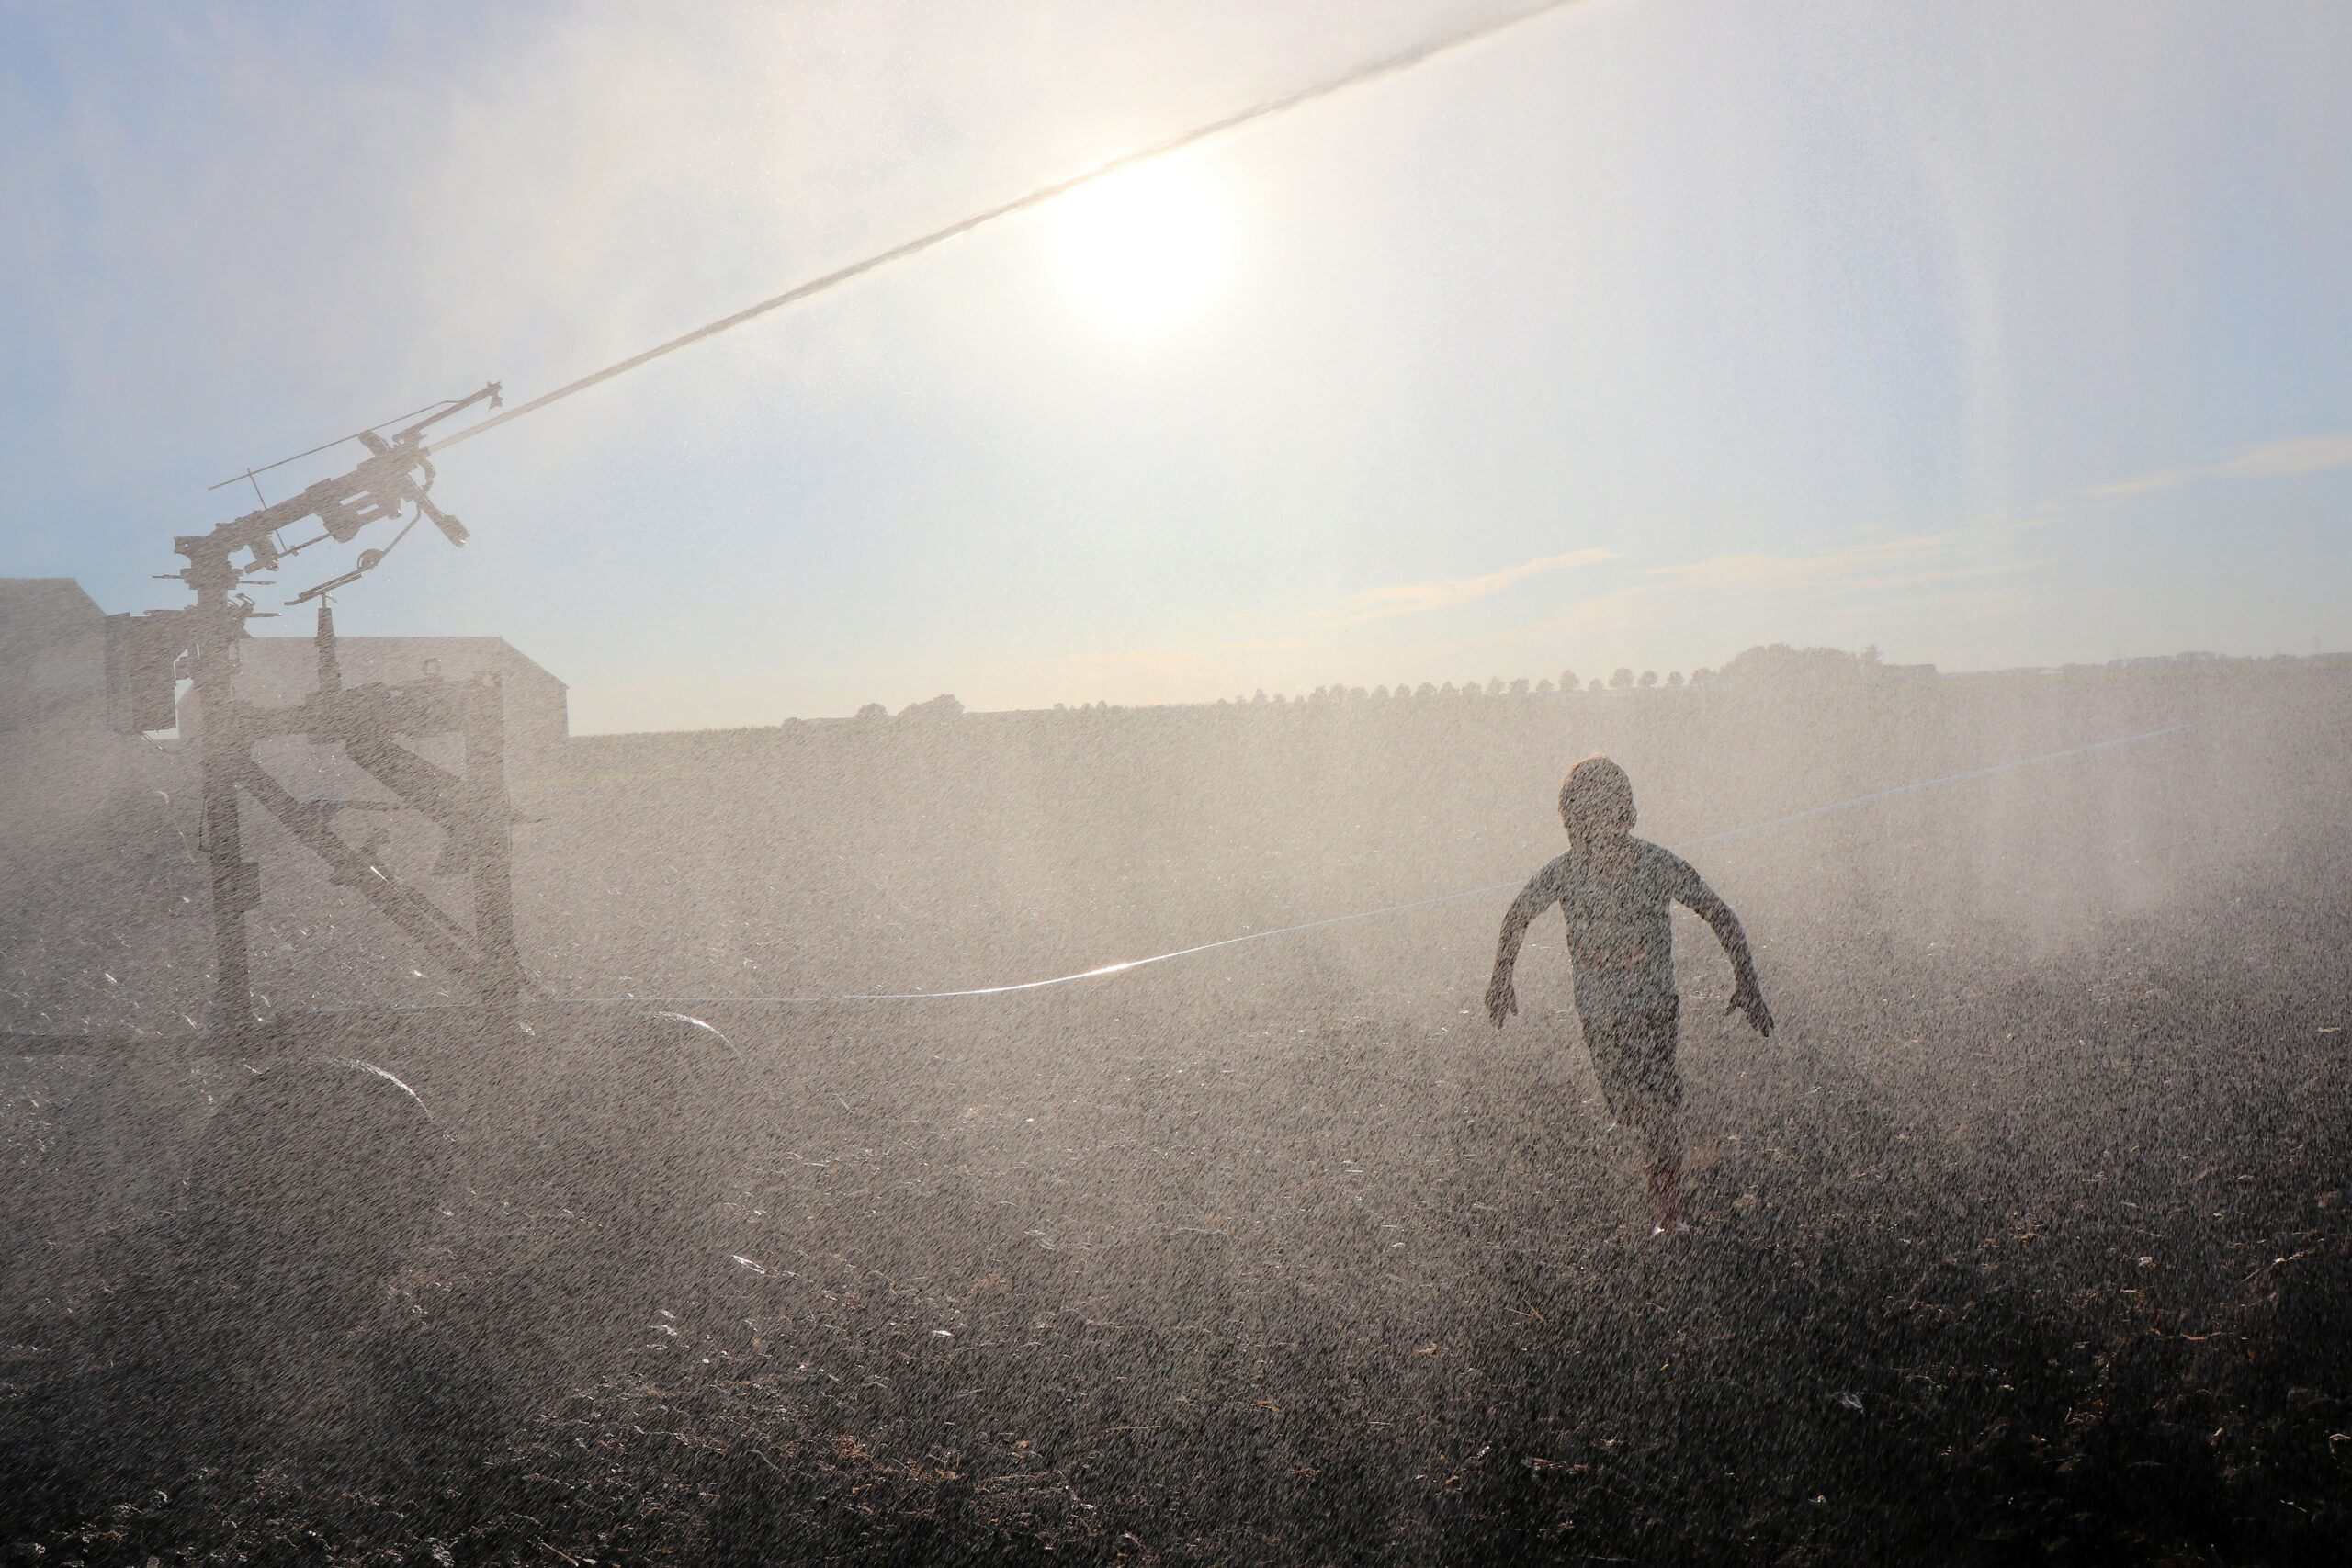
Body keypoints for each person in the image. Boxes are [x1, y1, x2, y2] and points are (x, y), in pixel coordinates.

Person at [1486, 755, 1773, 1235]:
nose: (1603, 831)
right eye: (1589, 818)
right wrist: (1501, 978)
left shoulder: (1657, 865)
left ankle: (1669, 1216)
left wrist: (1747, 981)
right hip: (1599, 1017)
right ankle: (1659, 1152)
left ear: (1626, 815)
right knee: (1629, 1109)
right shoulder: (1563, 874)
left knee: (1658, 1109)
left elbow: (1719, 913)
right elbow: (1517, 915)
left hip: (1655, 1008)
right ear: (1574, 824)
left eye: (1612, 814)